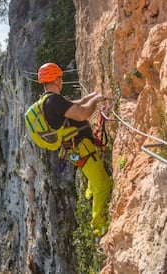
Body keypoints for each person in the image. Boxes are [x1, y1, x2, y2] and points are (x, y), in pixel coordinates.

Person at [38, 62, 112, 237]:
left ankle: (89, 191)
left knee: (93, 174)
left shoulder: (48, 100)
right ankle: (98, 225)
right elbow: (81, 114)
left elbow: (75, 105)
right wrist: (95, 100)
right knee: (104, 185)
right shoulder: (53, 101)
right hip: (82, 148)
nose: (61, 81)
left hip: (75, 149)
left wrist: (91, 96)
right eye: (60, 78)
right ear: (56, 79)